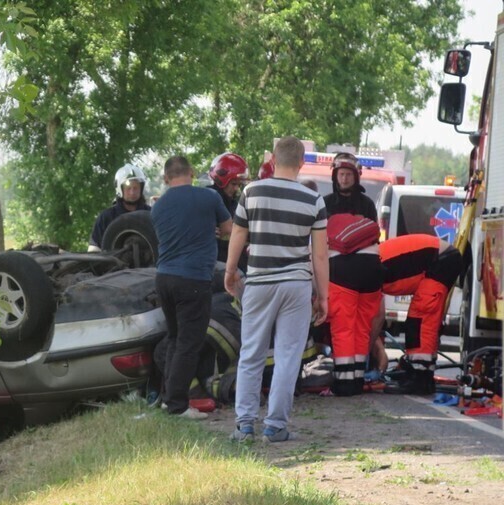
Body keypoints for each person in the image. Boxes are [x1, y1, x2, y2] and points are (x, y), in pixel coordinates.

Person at [224, 136, 329, 442]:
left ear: (272, 160)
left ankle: (244, 425)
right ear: (301, 163)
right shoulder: (314, 199)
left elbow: (238, 233)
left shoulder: (251, 192)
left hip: (259, 282)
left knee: (251, 353)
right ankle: (275, 426)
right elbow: (320, 255)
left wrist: (230, 271)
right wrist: (323, 296)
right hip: (296, 285)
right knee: (287, 356)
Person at [151, 155, 232, 419]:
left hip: (164, 278)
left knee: (175, 338)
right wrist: (214, 229)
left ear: (166, 178)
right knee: (189, 342)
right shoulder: (209, 197)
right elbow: (229, 229)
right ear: (192, 173)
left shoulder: (158, 207)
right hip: (193, 279)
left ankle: (168, 399)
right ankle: (178, 406)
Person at [322, 152, 383, 396]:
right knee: (356, 325)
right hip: (357, 270)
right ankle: (355, 377)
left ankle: (347, 381)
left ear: (356, 177)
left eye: (348, 174)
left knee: (347, 325)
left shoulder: (366, 204)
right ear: (335, 176)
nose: (345, 178)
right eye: (341, 174)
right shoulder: (326, 202)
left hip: (344, 273)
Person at [377, 234, 463, 394]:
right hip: (441, 258)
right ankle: (423, 376)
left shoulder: (368, 270)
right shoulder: (370, 262)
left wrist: (378, 351)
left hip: (440, 260)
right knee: (423, 321)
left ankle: (419, 379)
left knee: (420, 321)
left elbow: (376, 316)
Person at [88, 163, 151, 252]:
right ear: (120, 189)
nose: (132, 192)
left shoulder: (151, 215)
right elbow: (94, 249)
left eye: (136, 188)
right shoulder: (106, 217)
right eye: (128, 188)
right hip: (112, 261)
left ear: (141, 188)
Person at [207, 153, 250, 262]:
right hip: (213, 261)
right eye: (233, 184)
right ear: (221, 180)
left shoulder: (234, 204)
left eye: (239, 185)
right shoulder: (206, 199)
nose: (236, 189)